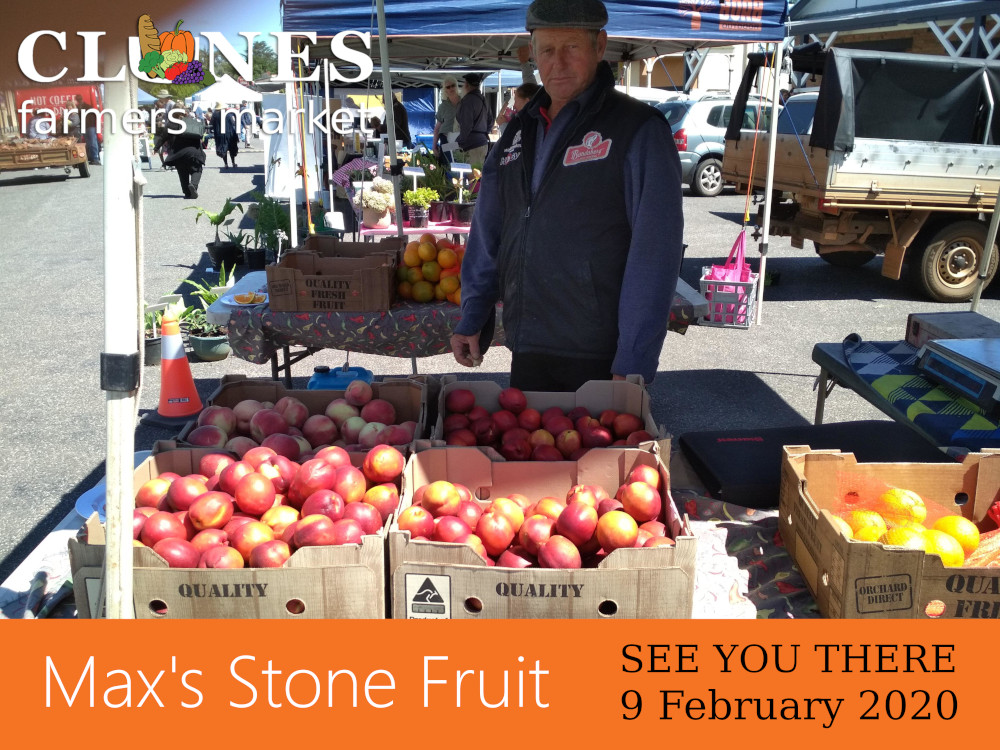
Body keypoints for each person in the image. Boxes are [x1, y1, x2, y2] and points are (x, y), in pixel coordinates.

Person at [450, 0, 684, 392]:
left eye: (572, 47)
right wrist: (474, 314)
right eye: (546, 50)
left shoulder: (638, 130)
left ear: (599, 45)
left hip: (599, 353)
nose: (558, 63)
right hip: (527, 343)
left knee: (598, 456)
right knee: (529, 452)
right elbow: (489, 229)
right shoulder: (518, 130)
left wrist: (634, 361)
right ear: (532, 56)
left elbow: (655, 253)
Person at [153, 107, 207, 199]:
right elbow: (201, 133)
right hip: (193, 151)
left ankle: (186, 192)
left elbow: (163, 137)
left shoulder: (170, 125)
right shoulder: (191, 122)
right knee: (196, 169)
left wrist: (156, 148)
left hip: (177, 153)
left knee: (182, 172)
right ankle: (193, 185)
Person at [454, 73, 492, 165]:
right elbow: (490, 121)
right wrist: (483, 134)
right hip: (483, 143)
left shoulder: (467, 101)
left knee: (472, 177)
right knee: (478, 176)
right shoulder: (483, 99)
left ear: (466, 85)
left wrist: (458, 143)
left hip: (471, 145)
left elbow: (466, 125)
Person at [433, 75, 461, 159]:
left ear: (456, 86)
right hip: (446, 139)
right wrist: (434, 146)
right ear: (445, 90)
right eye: (448, 87)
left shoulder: (465, 102)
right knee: (448, 165)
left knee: (461, 164)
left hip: (461, 139)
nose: (451, 88)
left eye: (453, 85)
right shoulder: (443, 106)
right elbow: (437, 128)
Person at [73, 94, 101, 165]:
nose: (78, 100)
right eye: (78, 99)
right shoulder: (84, 107)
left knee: (92, 142)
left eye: (79, 99)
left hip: (90, 126)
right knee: (89, 142)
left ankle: (95, 158)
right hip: (87, 126)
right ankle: (92, 158)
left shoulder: (87, 107)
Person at [211, 102, 239, 168]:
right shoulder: (228, 114)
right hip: (229, 133)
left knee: (223, 148)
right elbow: (233, 123)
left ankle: (226, 164)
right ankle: (233, 163)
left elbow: (211, 124)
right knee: (232, 148)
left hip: (220, 134)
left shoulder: (215, 115)